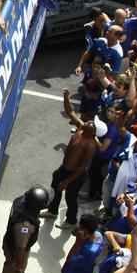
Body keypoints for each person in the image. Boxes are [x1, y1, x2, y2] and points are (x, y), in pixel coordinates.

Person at [43, 90, 106, 226]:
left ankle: (71, 221)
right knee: (55, 186)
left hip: (75, 175)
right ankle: (52, 211)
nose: (89, 122)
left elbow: (83, 167)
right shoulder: (82, 128)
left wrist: (67, 181)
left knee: (70, 197)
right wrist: (66, 97)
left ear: (95, 133)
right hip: (64, 168)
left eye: (92, 124)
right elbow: (70, 111)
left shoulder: (90, 145)